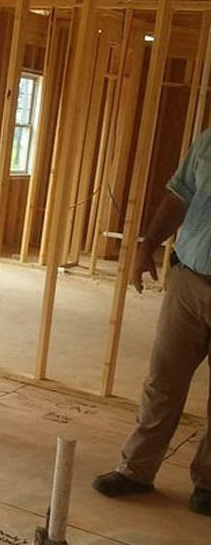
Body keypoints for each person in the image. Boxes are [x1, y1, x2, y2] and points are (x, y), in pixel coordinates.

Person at [93, 127, 211, 515]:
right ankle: (135, 471)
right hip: (189, 278)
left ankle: (208, 483)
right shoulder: (209, 139)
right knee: (163, 380)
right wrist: (147, 245)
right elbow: (180, 195)